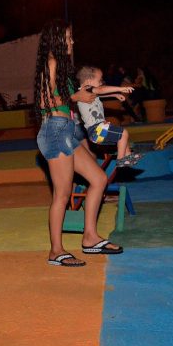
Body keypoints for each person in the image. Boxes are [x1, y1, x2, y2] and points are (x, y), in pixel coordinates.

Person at [34, 19, 123, 267]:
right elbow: (44, 102)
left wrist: (95, 93)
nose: (72, 41)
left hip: (67, 131)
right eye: (68, 37)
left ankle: (90, 237)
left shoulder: (62, 68)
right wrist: (75, 96)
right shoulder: (51, 63)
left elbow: (72, 96)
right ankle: (56, 251)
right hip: (54, 131)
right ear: (57, 40)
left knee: (99, 179)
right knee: (62, 194)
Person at [75, 66, 142, 167]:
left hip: (97, 131)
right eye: (99, 80)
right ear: (89, 81)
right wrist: (120, 88)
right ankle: (121, 160)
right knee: (123, 133)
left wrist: (114, 95)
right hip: (96, 131)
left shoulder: (86, 93)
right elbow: (101, 90)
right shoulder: (85, 90)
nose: (101, 83)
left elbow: (98, 94)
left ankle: (128, 155)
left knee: (121, 135)